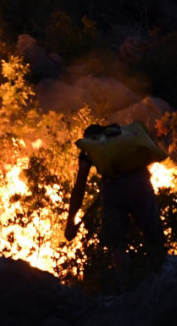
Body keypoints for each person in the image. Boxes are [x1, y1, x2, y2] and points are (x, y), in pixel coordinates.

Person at [64, 123, 166, 287]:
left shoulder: (90, 148)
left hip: (113, 188)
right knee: (154, 236)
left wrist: (70, 220)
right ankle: (162, 279)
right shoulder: (123, 137)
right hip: (141, 183)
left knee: (117, 243)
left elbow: (80, 184)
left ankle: (125, 285)